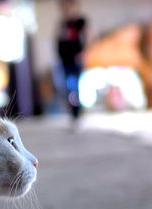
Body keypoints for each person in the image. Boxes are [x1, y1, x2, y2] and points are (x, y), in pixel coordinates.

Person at [56, 0, 90, 132]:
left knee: (74, 88)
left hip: (75, 60)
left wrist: (83, 53)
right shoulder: (63, 23)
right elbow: (57, 39)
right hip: (64, 60)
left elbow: (89, 36)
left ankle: (77, 117)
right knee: (68, 89)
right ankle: (73, 117)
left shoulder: (80, 22)